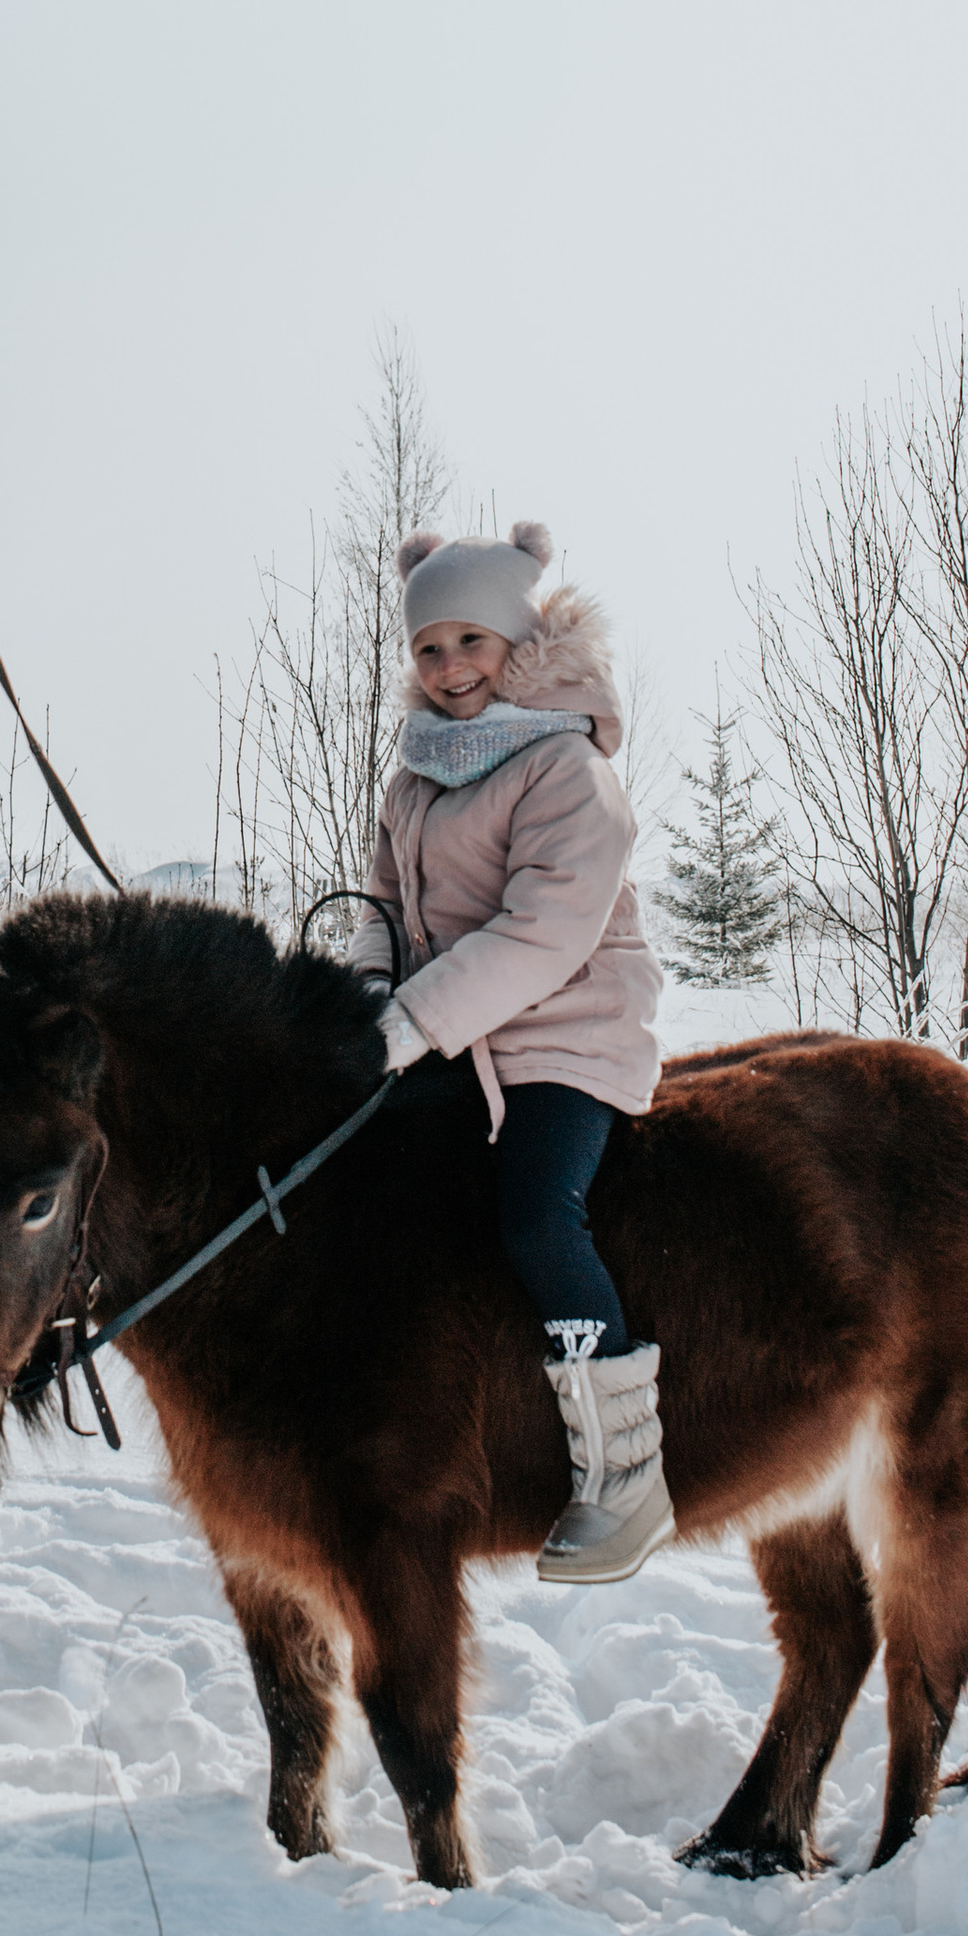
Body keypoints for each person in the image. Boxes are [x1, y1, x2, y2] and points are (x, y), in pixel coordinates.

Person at [350, 521, 673, 1584]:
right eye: (429, 648)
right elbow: (385, 907)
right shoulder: (415, 780)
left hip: (562, 1036)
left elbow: (543, 930)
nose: (449, 669)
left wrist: (411, 1021)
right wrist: (361, 989)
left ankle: (625, 1474)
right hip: (448, 1037)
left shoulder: (566, 768)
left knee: (538, 1214)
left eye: (470, 644)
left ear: (519, 648)